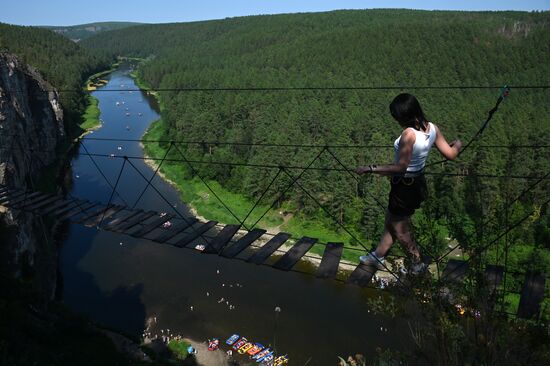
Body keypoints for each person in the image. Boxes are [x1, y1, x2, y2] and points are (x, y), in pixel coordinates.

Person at [356, 93, 462, 275]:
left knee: (401, 229)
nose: (397, 120)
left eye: (397, 117)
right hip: (417, 184)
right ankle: (377, 257)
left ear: (404, 116)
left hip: (404, 187)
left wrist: (371, 168)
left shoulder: (408, 134)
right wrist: (458, 144)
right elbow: (451, 154)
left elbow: (401, 167)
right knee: (392, 220)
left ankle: (417, 264)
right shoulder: (432, 128)